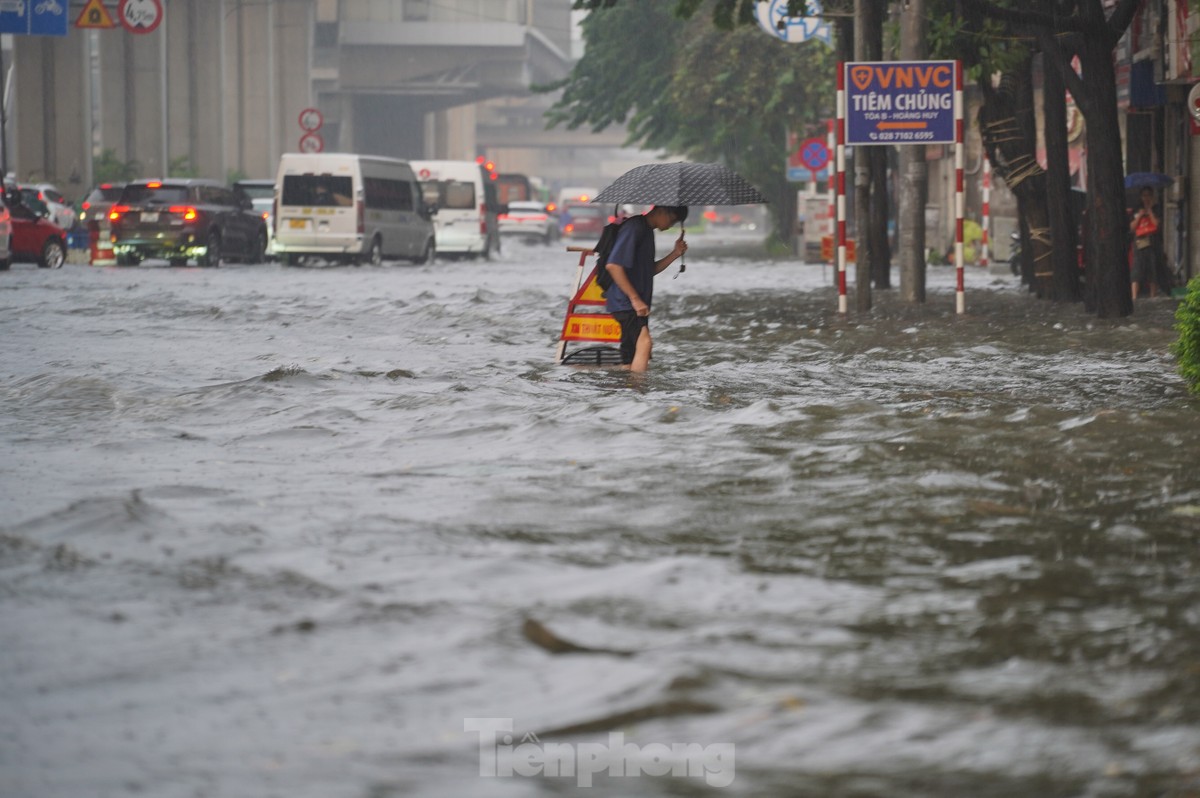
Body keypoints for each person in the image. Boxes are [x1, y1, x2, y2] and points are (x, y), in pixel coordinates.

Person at [603, 205, 688, 372]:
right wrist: (635, 300)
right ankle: (639, 392)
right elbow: (613, 266)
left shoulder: (647, 231)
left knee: (631, 356)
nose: (671, 225)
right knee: (645, 343)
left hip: (636, 304)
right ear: (662, 211)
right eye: (672, 220)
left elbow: (649, 270)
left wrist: (675, 253)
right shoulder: (635, 228)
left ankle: (626, 391)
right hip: (626, 302)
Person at [1129, 187, 1161, 299]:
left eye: (1148, 195)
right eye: (1144, 195)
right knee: (1137, 270)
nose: (1146, 198)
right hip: (1139, 243)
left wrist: (1150, 211)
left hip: (1152, 243)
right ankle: (1134, 296)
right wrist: (1140, 215)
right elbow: (1132, 228)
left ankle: (1153, 295)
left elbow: (1157, 225)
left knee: (1152, 269)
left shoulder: (1156, 209)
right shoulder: (1137, 209)